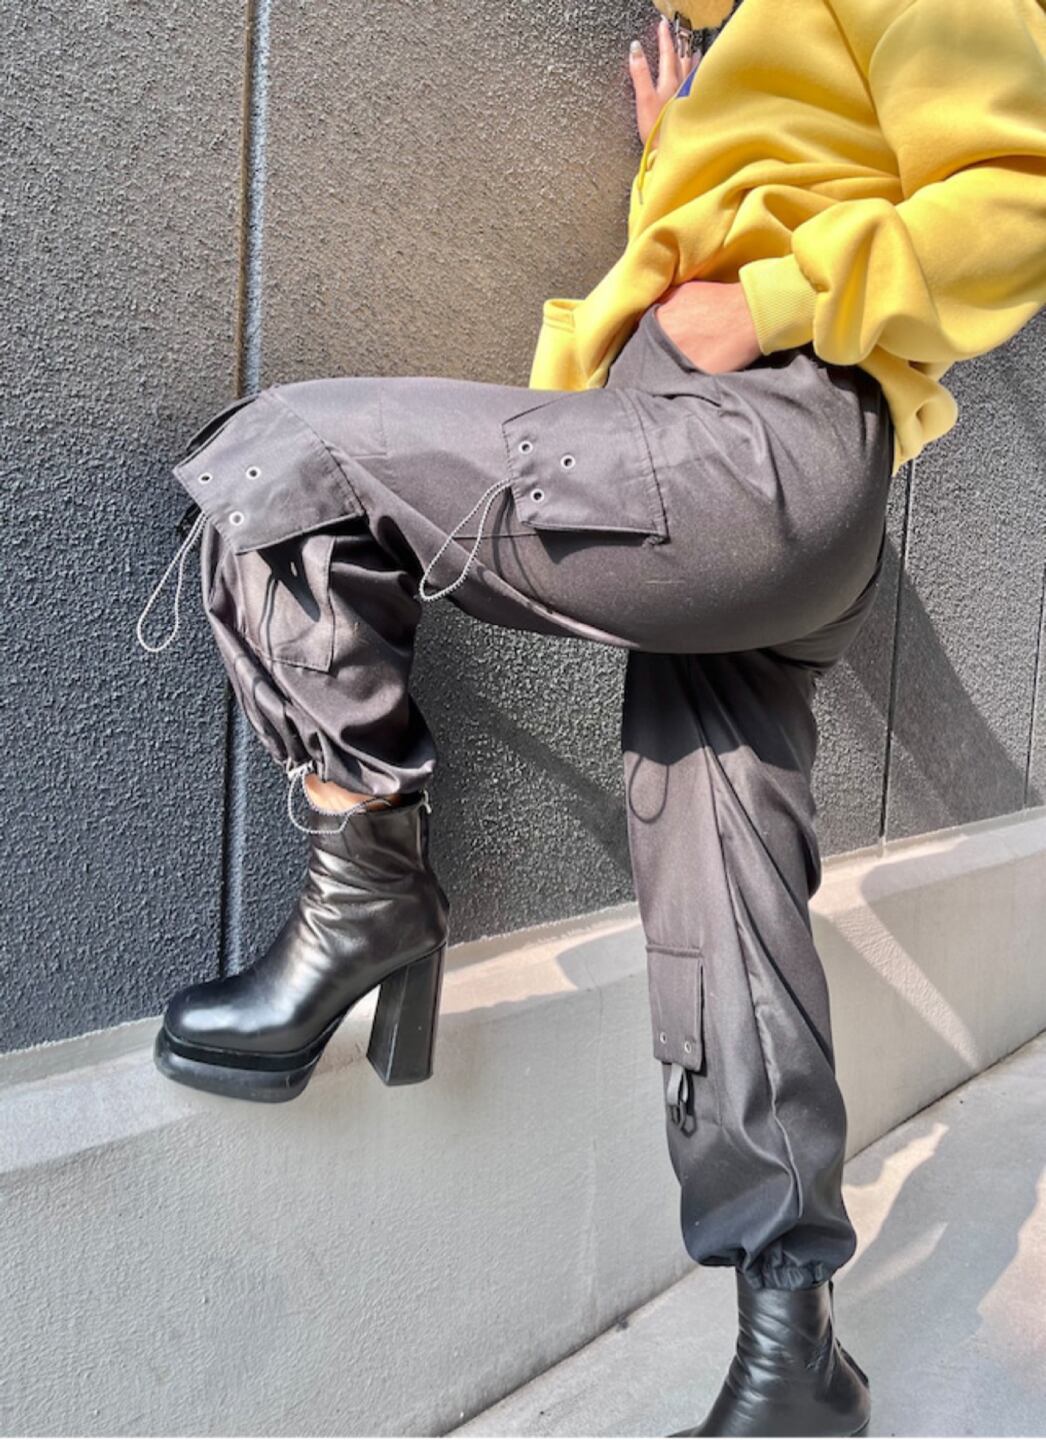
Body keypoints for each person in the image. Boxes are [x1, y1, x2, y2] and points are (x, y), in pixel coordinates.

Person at [134, 0, 1046, 1433]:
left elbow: (1015, 201)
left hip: (761, 440)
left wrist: (771, 295)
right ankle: (791, 1353)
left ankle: (367, 891)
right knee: (725, 896)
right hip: (751, 471)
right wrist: (685, 165)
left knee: (286, 459)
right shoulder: (733, 47)